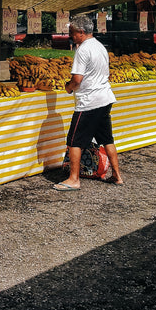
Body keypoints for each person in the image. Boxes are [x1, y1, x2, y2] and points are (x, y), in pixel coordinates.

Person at [53, 14, 124, 191]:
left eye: (72, 32)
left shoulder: (82, 49)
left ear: (81, 32)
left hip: (89, 102)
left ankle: (73, 179)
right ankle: (117, 175)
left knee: (74, 141)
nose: (70, 35)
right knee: (107, 138)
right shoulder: (100, 46)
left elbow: (77, 79)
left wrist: (68, 87)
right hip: (105, 98)